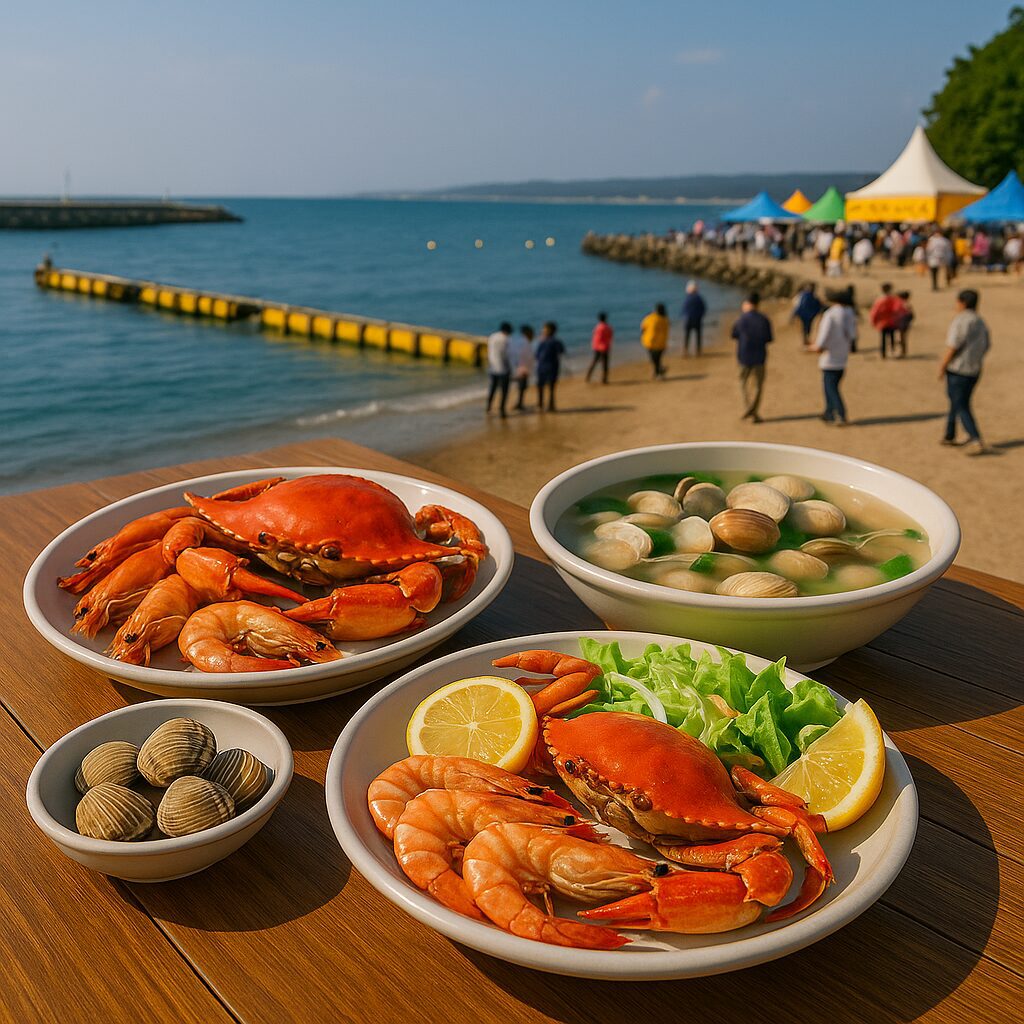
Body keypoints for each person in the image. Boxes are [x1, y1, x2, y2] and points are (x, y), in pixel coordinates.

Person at [939, 289, 990, 455]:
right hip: (974, 369)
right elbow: (987, 345)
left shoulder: (961, 321)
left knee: (961, 404)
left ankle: (975, 438)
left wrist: (943, 365)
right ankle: (949, 434)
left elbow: (953, 346)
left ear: (963, 303)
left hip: (958, 370)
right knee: (956, 400)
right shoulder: (980, 321)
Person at [808, 287, 857, 425]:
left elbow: (823, 335)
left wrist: (816, 346)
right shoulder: (849, 313)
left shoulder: (830, 314)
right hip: (842, 357)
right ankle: (828, 412)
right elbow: (853, 335)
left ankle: (839, 414)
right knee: (832, 387)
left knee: (831, 389)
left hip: (829, 357)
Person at [730, 292, 773, 422]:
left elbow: (734, 335)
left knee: (743, 383)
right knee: (758, 386)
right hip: (759, 356)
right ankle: (753, 410)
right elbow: (769, 338)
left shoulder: (741, 319)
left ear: (747, 304)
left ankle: (748, 408)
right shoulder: (764, 319)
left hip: (743, 356)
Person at [535, 321, 566, 411]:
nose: (542, 330)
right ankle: (549, 405)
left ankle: (542, 405)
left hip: (546, 367)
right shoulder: (555, 341)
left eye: (544, 329)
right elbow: (562, 351)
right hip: (550, 367)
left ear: (549, 330)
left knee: (542, 386)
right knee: (550, 387)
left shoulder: (546, 341)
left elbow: (537, 355)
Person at [485, 321, 512, 418]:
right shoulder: (506, 339)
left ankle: (488, 407)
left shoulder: (492, 336)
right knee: (504, 391)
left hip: (492, 366)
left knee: (492, 388)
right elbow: (506, 355)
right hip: (503, 368)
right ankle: (502, 410)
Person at [869, 283, 903, 359]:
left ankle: (883, 353)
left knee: (883, 339)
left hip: (882, 323)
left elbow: (874, 312)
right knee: (892, 337)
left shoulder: (879, 300)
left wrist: (873, 321)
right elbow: (898, 309)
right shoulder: (894, 299)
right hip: (892, 321)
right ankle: (892, 351)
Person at [506, 323, 535, 411]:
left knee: (521, 387)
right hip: (522, 369)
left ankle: (519, 403)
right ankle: (519, 404)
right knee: (521, 387)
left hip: (522, 368)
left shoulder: (522, 341)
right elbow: (522, 356)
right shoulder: (525, 342)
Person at [640, 303, 670, 378]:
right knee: (657, 359)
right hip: (661, 343)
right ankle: (659, 371)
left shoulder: (650, 318)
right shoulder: (665, 319)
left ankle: (658, 372)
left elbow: (643, 328)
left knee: (654, 359)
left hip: (650, 342)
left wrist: (643, 335)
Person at [791, 282, 824, 347]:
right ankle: (805, 340)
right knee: (806, 328)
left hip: (806, 315)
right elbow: (800, 306)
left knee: (806, 328)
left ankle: (805, 340)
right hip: (807, 315)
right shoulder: (806, 295)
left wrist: (793, 315)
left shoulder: (807, 295)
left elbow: (798, 306)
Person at [585, 312, 613, 383]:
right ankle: (604, 379)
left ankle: (588, 376)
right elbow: (610, 337)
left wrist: (594, 346)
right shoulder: (608, 327)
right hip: (604, 347)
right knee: (605, 364)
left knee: (594, 362)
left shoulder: (597, 327)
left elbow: (596, 338)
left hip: (597, 347)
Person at [680, 281, 706, 356]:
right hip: (697, 319)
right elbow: (703, 308)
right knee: (698, 335)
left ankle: (685, 350)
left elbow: (684, 309)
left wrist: (683, 316)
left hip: (688, 319)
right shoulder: (699, 298)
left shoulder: (688, 298)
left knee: (687, 335)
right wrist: (701, 316)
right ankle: (698, 351)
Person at [895, 291, 914, 357]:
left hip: (903, 324)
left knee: (901, 338)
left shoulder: (904, 305)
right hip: (904, 324)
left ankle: (902, 352)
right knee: (902, 338)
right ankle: (903, 351)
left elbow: (910, 315)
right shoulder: (907, 304)